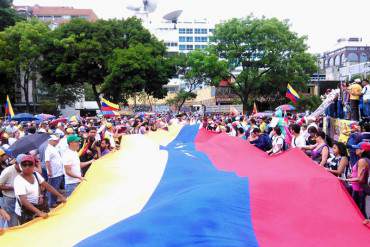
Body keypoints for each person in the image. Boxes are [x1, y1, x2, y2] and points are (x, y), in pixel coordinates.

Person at [14, 155, 66, 225]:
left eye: (30, 164)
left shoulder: (35, 174)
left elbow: (47, 186)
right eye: (24, 165)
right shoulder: (18, 180)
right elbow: (24, 201)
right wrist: (39, 212)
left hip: (37, 206)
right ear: (21, 166)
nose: (27, 167)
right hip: (25, 211)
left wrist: (60, 196)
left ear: (34, 166)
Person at [342, 142, 370, 217]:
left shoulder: (362, 161)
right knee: (359, 212)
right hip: (358, 190)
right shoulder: (363, 160)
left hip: (359, 191)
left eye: (357, 148)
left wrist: (345, 180)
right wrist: (351, 176)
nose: (355, 149)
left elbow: (360, 179)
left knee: (360, 214)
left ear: (362, 150)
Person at [0, 154, 23, 227]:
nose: (25, 167)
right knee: (13, 222)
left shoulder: (25, 169)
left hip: (21, 198)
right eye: (22, 165)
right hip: (10, 199)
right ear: (16, 163)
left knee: (21, 220)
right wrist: (14, 187)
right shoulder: (8, 171)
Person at [44, 135, 64, 208]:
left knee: (56, 187)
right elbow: (47, 161)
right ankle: (51, 203)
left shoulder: (53, 148)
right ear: (50, 141)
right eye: (54, 140)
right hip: (54, 173)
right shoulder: (48, 149)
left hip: (58, 172)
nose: (56, 142)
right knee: (53, 188)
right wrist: (49, 171)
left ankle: (54, 201)